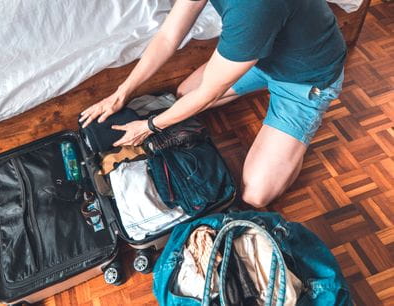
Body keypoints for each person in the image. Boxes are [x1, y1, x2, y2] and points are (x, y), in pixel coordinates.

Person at [79, 0, 347, 208]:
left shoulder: (254, 9)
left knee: (256, 195)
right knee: (184, 94)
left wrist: (148, 126)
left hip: (305, 81)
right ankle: (256, 82)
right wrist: (120, 93)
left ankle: (298, 138)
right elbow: (168, 36)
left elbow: (208, 93)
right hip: (262, 58)